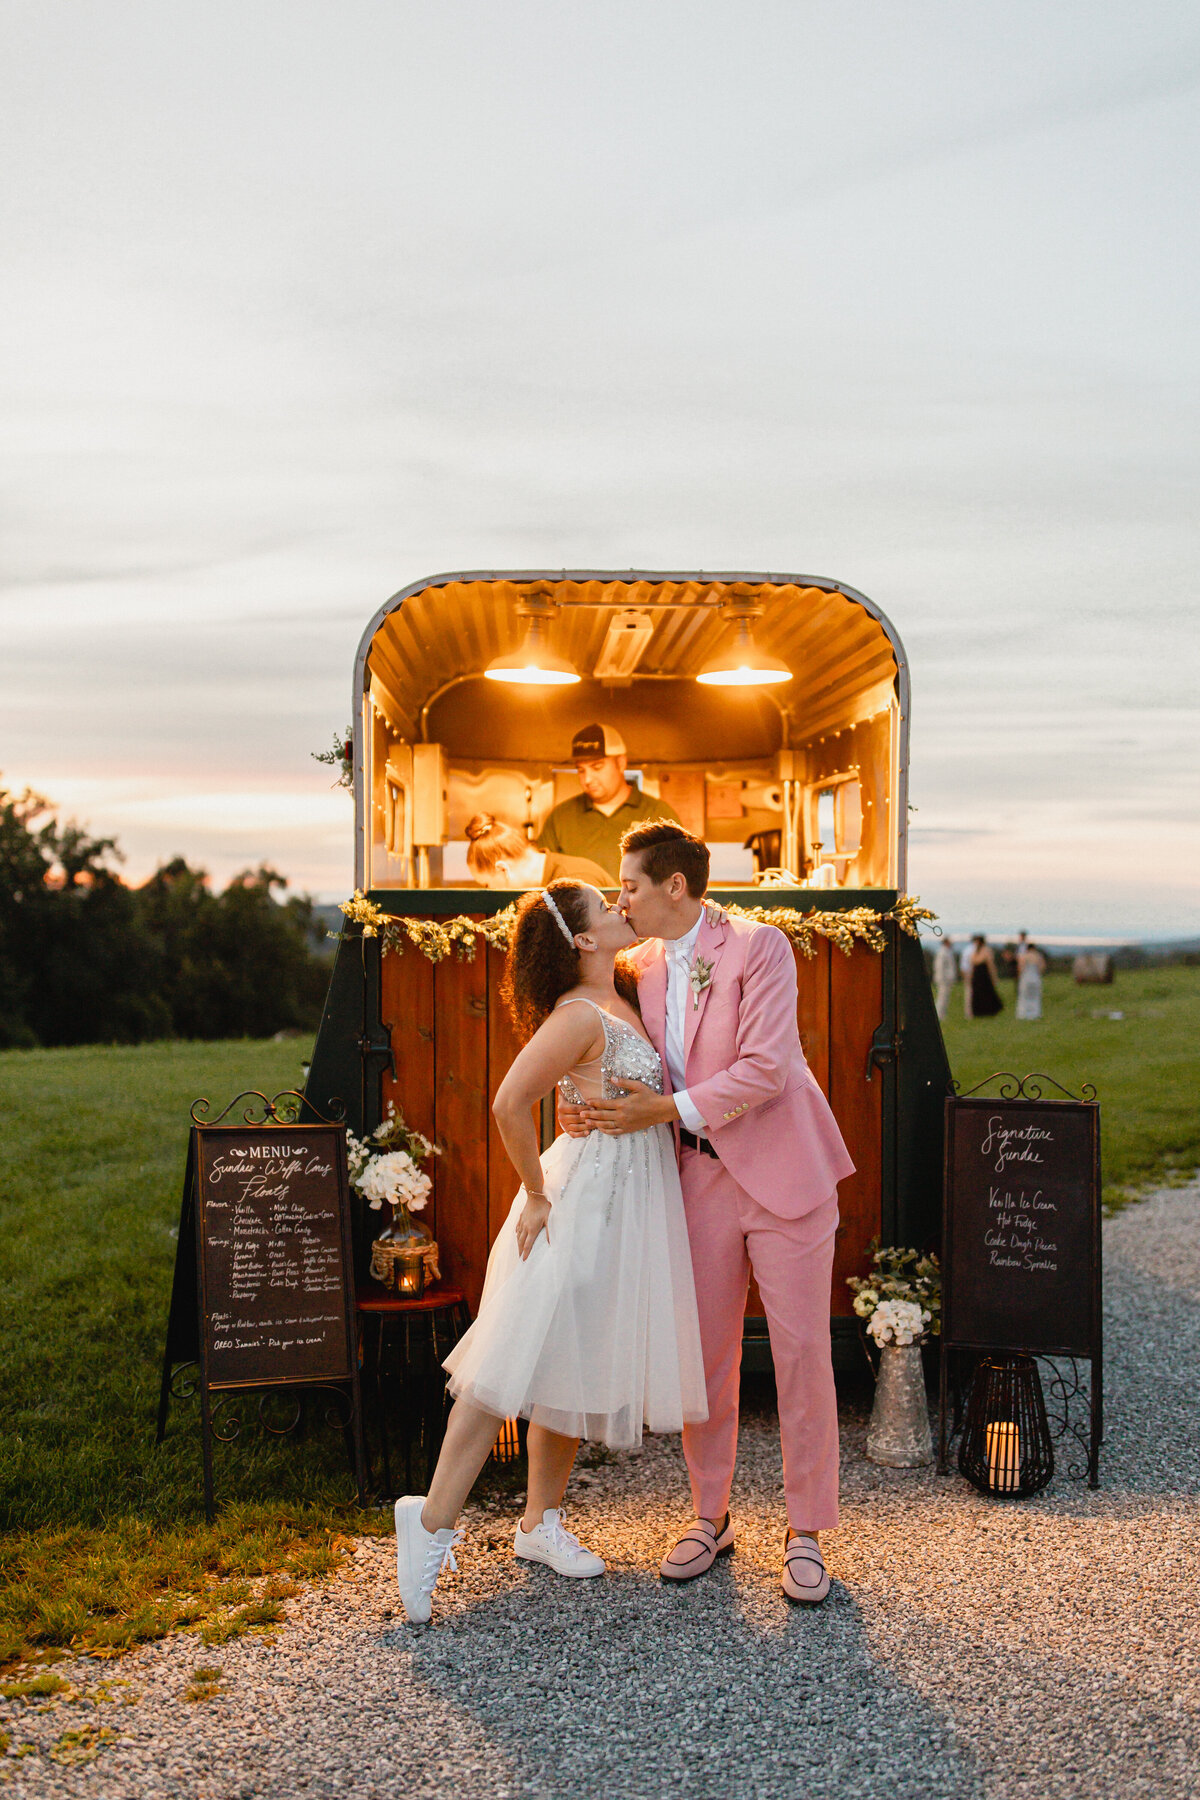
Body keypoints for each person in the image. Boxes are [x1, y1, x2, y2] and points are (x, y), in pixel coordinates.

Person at [392, 879, 707, 1624]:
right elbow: (506, 1103)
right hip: (581, 1201)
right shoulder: (577, 1014)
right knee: (506, 1364)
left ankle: (538, 1523)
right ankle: (430, 1524)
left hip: (628, 1197)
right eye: (604, 906)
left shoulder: (627, 992)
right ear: (583, 941)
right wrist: (536, 1195)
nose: (618, 907)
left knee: (574, 1356)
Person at [565, 821, 855, 1605]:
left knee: (801, 1356)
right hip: (695, 1181)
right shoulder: (639, 967)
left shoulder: (761, 947)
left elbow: (765, 1067)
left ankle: (806, 1532)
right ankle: (709, 1514)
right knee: (706, 1359)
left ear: (675, 887)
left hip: (788, 1175)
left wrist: (667, 1107)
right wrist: (581, 1106)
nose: (621, 897)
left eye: (629, 884)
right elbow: (612, 1053)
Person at [537, 722, 681, 882]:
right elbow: (540, 877)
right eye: (581, 770)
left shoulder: (658, 814)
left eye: (597, 767)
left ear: (621, 763)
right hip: (578, 907)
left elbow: (681, 877)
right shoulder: (560, 818)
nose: (588, 779)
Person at [464, 812, 611, 889]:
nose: (489, 892)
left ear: (503, 869)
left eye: (487, 885)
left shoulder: (573, 882)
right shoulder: (547, 885)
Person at [968, 935, 1003, 1017]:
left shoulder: (985, 950)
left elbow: (990, 965)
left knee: (986, 993)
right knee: (979, 993)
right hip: (978, 976)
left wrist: (993, 976)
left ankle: (987, 1011)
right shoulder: (975, 951)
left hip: (983, 975)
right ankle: (980, 1012)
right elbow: (973, 964)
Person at [1015, 940, 1046, 1020]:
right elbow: (1042, 968)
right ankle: (1034, 1013)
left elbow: (1020, 968)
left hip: (1026, 977)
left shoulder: (1023, 956)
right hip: (1035, 977)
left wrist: (1019, 977)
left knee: (1024, 995)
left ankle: (1023, 1013)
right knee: (1035, 996)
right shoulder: (1038, 956)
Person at [933, 935, 958, 1021]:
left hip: (947, 979)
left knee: (945, 997)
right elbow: (939, 967)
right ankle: (939, 1015)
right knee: (942, 997)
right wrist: (942, 978)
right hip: (943, 979)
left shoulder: (947, 951)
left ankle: (942, 1015)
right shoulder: (942, 952)